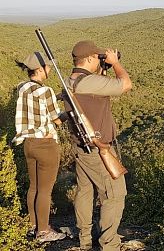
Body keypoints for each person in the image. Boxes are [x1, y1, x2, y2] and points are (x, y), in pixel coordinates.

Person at [64, 40, 132, 251]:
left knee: (85, 191)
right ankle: (109, 244)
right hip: (97, 148)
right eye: (99, 58)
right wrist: (116, 64)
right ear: (91, 58)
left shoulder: (70, 80)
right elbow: (125, 84)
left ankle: (85, 240)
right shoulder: (88, 82)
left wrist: (103, 70)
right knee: (115, 194)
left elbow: (94, 92)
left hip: (81, 147)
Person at [12, 52, 67, 243]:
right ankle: (44, 232)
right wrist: (69, 111)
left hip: (29, 143)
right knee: (45, 190)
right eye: (48, 66)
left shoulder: (22, 87)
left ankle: (34, 226)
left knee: (34, 187)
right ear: (40, 69)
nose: (50, 69)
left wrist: (56, 98)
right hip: (46, 144)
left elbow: (36, 106)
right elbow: (57, 121)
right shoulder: (46, 91)